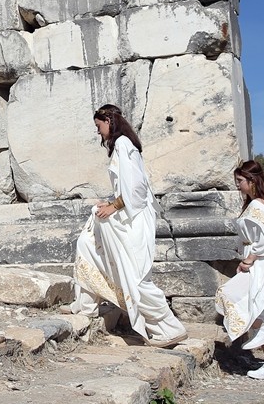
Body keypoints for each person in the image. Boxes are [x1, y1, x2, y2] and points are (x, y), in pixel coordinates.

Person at [71, 105, 188, 347]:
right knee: (87, 244)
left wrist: (114, 206)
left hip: (134, 218)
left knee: (134, 276)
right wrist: (111, 202)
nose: (98, 132)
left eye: (98, 126)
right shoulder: (123, 145)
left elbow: (136, 188)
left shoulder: (123, 143)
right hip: (129, 213)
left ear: (108, 120)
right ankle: (85, 305)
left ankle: (169, 326)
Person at [216, 160, 264, 379]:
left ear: (252, 180)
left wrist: (250, 259)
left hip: (262, 264)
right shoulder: (259, 204)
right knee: (256, 308)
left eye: (240, 181)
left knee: (246, 303)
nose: (237, 185)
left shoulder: (257, 206)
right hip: (259, 262)